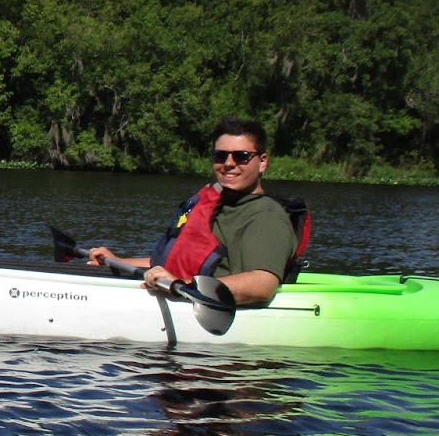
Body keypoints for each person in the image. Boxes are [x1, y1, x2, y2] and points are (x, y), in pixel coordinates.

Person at [87, 116, 301, 306]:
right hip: (183, 292)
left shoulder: (267, 216)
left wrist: (182, 284)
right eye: (220, 156)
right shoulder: (218, 206)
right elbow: (169, 264)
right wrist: (118, 262)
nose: (228, 164)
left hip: (216, 308)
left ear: (262, 162)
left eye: (241, 156)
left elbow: (261, 285)